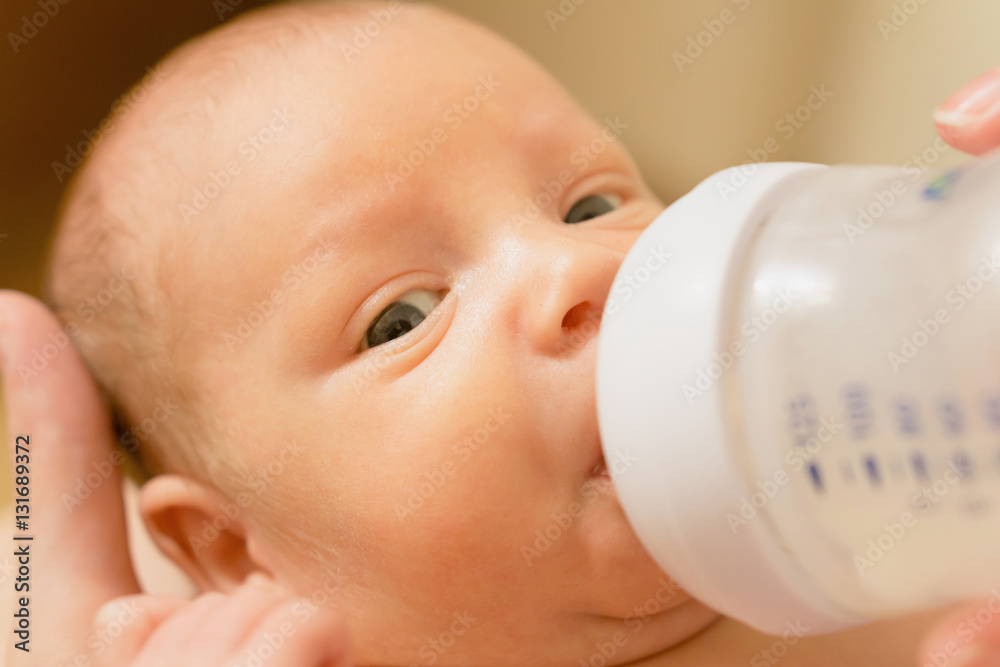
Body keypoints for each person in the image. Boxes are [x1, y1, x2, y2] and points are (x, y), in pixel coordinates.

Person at [2, 1, 1000, 664]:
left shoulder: (888, 524)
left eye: (587, 204)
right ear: (234, 549)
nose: (572, 271)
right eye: (401, 316)